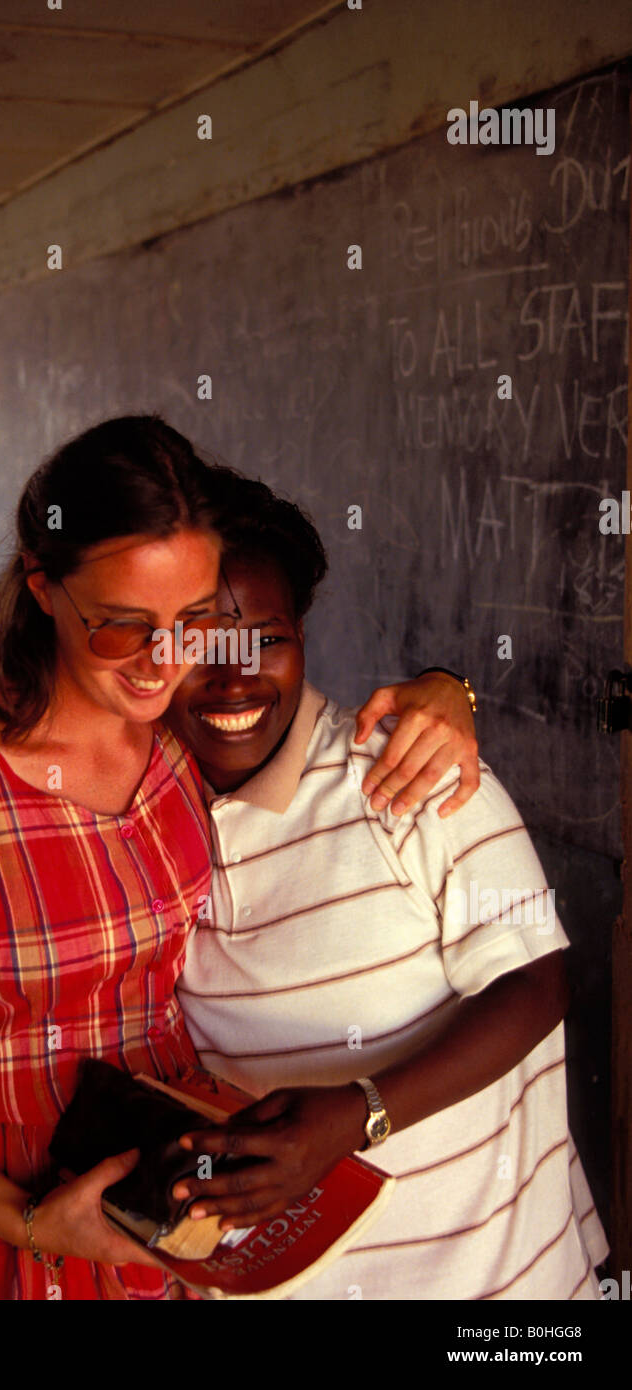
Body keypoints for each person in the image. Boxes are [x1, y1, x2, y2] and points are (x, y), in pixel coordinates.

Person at [0, 415, 479, 1301]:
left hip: (167, 1188)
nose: (165, 663)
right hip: (9, 1207)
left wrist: (447, 690)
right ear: (44, 587)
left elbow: (302, 721)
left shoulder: (170, 739)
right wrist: (31, 1221)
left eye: (193, 619)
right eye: (122, 627)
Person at [165, 474, 609, 1300]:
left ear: (301, 633)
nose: (233, 681)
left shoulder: (410, 772)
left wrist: (358, 1114)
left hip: (498, 1288)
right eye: (195, 644)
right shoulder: (132, 808)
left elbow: (536, 981)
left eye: (264, 638)